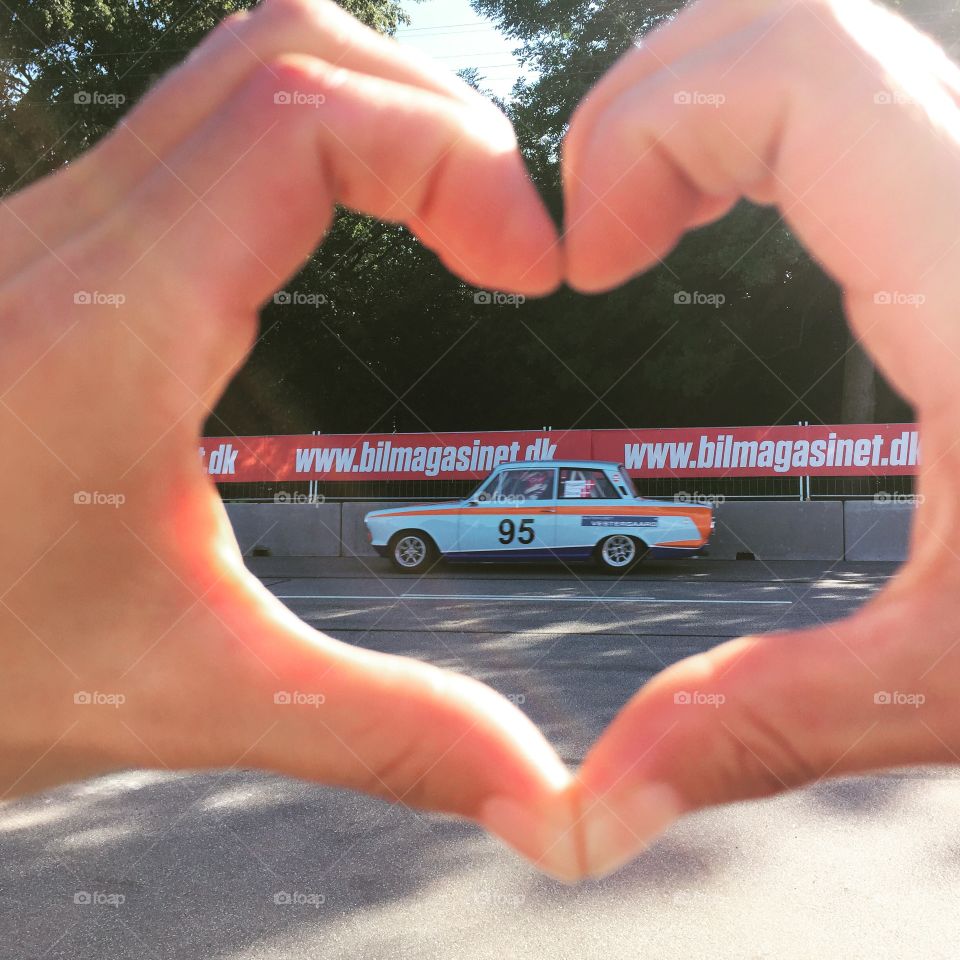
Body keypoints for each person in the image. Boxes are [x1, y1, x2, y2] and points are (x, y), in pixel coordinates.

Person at [1, 0, 958, 883]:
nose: (406, 538)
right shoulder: (580, 501)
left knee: (484, 527)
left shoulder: (552, 510)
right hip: (605, 523)